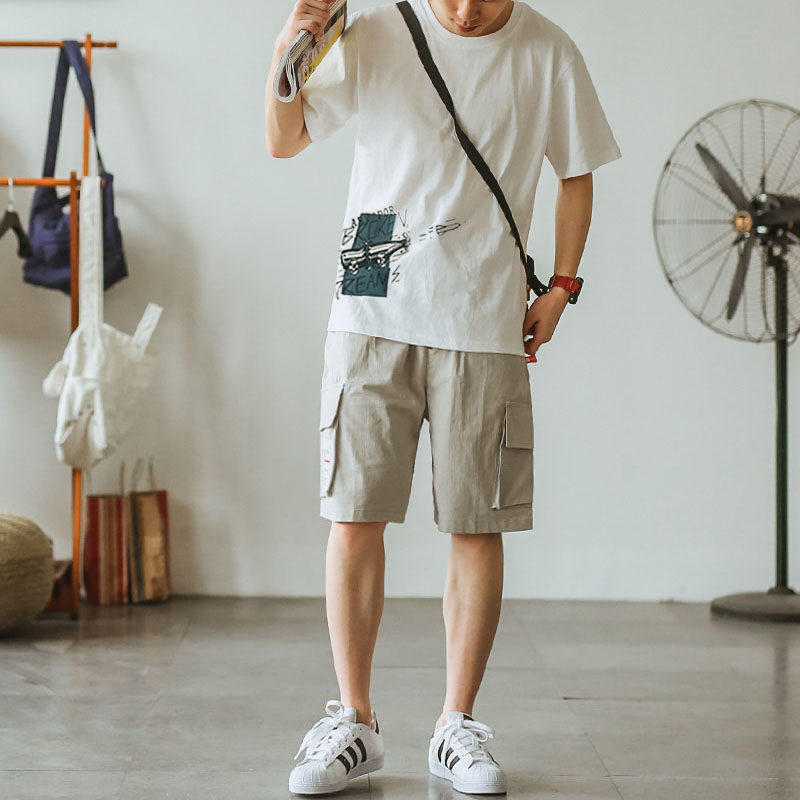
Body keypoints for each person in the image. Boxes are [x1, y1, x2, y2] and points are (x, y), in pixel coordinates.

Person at [265, 0, 621, 794]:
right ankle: (355, 722)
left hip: (483, 313)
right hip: (369, 298)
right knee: (353, 516)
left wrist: (561, 286)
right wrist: (286, 52)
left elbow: (577, 173)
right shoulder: (377, 30)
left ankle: (456, 725)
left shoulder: (548, 51)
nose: (463, 11)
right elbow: (284, 140)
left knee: (476, 524)